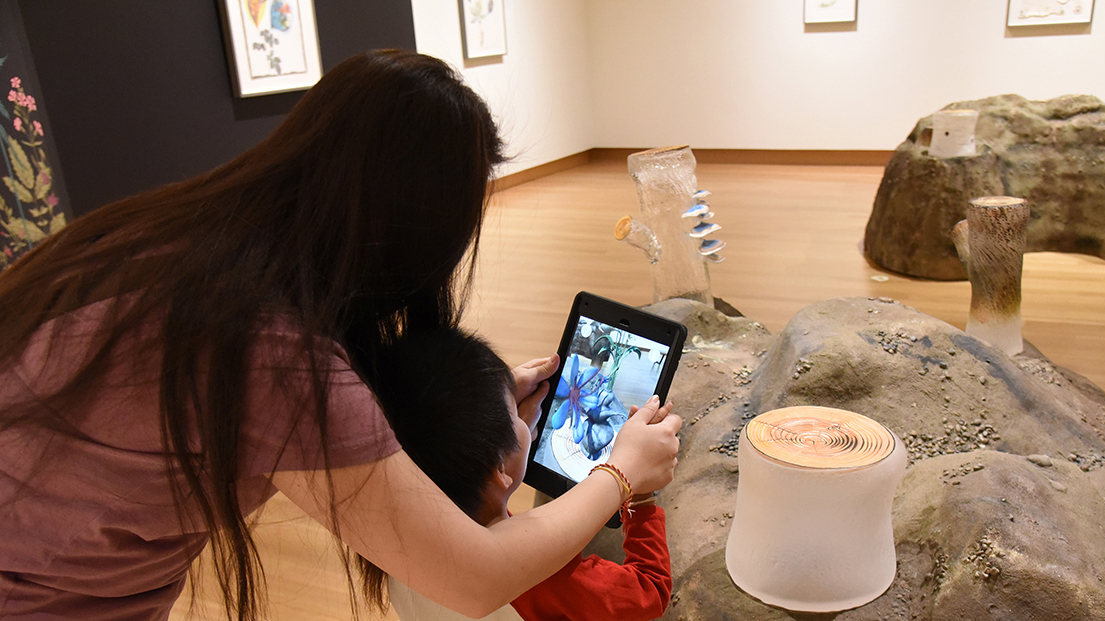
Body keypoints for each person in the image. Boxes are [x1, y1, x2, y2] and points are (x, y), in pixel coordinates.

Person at [0, 49, 682, 621]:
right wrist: (620, 473)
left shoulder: (174, 242)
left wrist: (492, 399)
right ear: (418, 230)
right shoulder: (272, 352)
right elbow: (476, 574)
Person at [363, 327, 672, 621]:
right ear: (499, 470)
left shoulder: (387, 540)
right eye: (512, 412)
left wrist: (495, 422)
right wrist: (641, 496)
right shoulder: (541, 573)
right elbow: (649, 591)